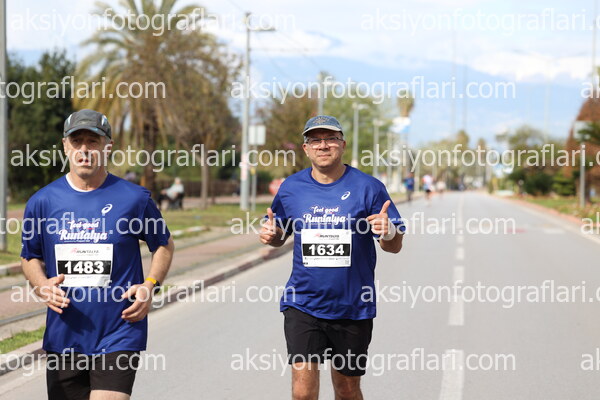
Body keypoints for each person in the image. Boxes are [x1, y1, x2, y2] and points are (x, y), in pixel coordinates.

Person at [21, 109, 175, 400]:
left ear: (108, 147)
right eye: (76, 141)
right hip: (64, 334)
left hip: (119, 330)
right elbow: (30, 257)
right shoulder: (42, 202)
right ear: (65, 146)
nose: (84, 150)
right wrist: (42, 286)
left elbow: (164, 245)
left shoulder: (135, 199)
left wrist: (150, 285)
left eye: (92, 141)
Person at [259, 115, 405, 400]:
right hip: (303, 303)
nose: (323, 145)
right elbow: (279, 233)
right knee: (302, 392)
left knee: (347, 390)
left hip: (352, 306)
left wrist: (388, 231)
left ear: (343, 145)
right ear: (306, 148)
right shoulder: (292, 188)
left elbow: (394, 246)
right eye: (315, 140)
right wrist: (271, 235)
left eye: (330, 139)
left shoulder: (369, 187)